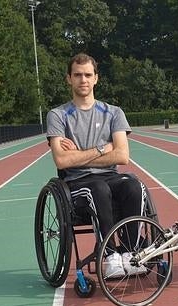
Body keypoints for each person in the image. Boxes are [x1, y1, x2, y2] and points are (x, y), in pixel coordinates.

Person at [46, 53, 146, 278]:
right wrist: (102, 149)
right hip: (77, 182)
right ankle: (109, 255)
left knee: (133, 185)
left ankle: (132, 252)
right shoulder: (57, 115)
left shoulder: (113, 113)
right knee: (99, 189)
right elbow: (62, 160)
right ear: (68, 79)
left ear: (96, 79)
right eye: (78, 75)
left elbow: (122, 156)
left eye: (88, 75)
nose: (83, 80)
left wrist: (79, 155)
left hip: (110, 176)